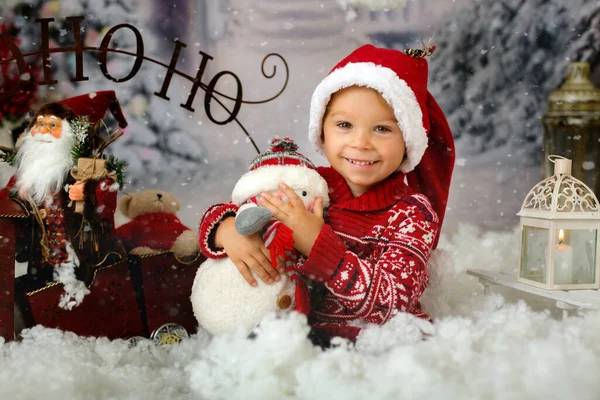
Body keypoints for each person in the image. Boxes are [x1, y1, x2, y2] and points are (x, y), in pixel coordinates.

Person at [198, 44, 455, 342]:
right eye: (345, 125)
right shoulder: (310, 185)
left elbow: (393, 302)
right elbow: (237, 207)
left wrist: (317, 244)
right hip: (299, 342)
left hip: (373, 351)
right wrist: (227, 229)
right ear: (322, 130)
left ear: (409, 140)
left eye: (382, 129)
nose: (361, 143)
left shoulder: (412, 214)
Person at [0, 91, 128, 293]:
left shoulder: (88, 168)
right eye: (40, 124)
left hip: (83, 256)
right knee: (34, 295)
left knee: (81, 294)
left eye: (53, 126)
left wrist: (85, 197)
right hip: (41, 258)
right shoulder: (29, 172)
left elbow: (105, 198)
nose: (44, 131)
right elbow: (7, 199)